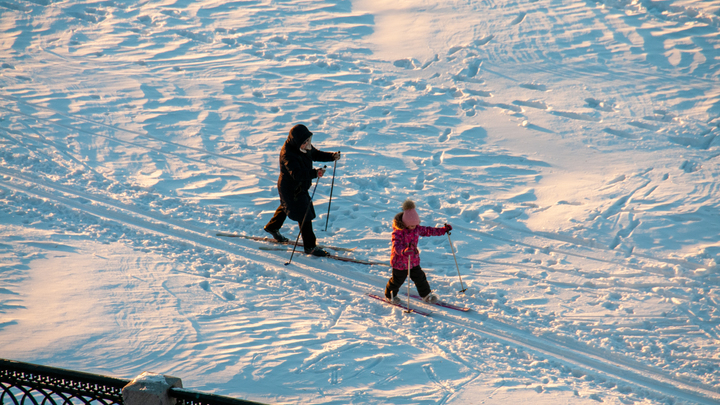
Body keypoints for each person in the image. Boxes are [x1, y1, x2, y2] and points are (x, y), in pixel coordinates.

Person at [264, 124, 340, 256]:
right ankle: (310, 246)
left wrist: (331, 156)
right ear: (297, 142)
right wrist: (314, 173)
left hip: (299, 187)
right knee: (305, 215)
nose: (307, 144)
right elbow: (296, 174)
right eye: (305, 142)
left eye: (308, 140)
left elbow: (314, 154)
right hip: (291, 188)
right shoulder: (288, 154)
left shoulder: (302, 146)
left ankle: (272, 227)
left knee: (286, 205)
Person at [385, 200, 452, 304]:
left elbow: (429, 231)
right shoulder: (398, 232)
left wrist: (443, 230)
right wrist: (403, 251)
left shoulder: (416, 228)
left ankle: (426, 295)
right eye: (411, 226)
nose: (414, 227)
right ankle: (390, 296)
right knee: (397, 281)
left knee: (420, 278)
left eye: (415, 225)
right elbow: (396, 246)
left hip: (413, 260)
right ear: (405, 223)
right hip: (400, 262)